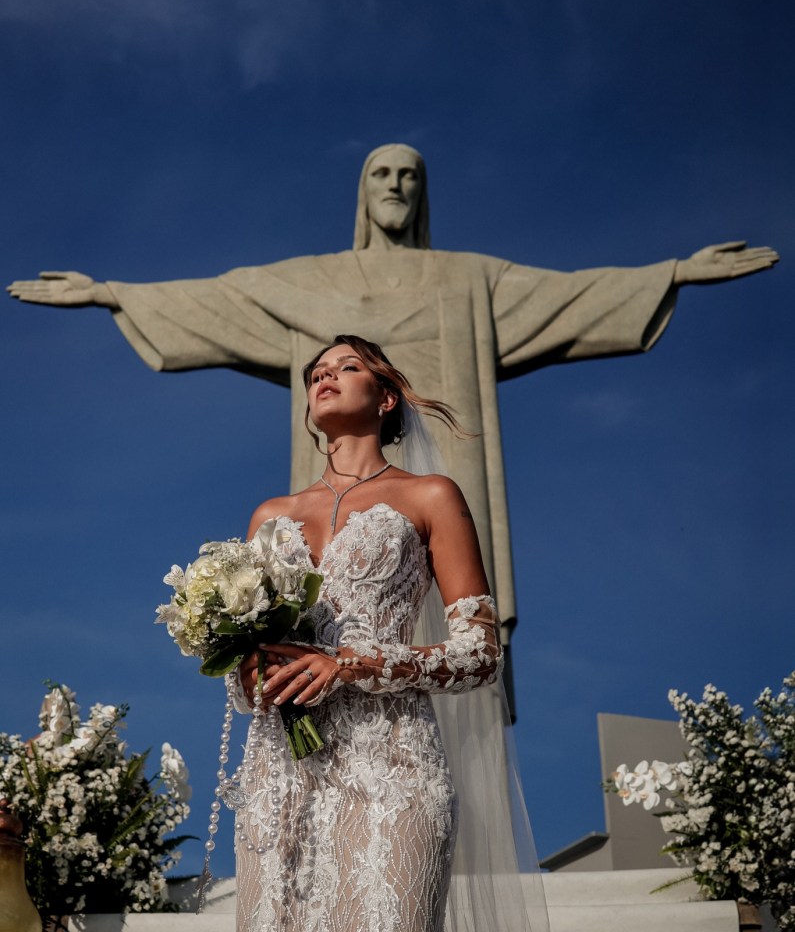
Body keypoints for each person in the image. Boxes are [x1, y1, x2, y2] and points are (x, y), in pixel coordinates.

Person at [6, 144, 779, 657]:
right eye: (382, 174)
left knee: (457, 611)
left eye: (410, 175)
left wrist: (669, 273)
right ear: (360, 191)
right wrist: (110, 294)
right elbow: (219, 303)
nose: (396, 186)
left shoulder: (467, 279)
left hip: (443, 496)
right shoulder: (310, 283)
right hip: (329, 549)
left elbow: (566, 298)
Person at [230, 333, 548, 932]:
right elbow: (248, 677)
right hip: (283, 779)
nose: (325, 376)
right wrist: (254, 671)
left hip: (394, 770)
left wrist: (348, 665)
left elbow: (480, 654)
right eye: (317, 371)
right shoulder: (270, 517)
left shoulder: (429, 496)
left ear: (386, 399)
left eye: (347, 367)